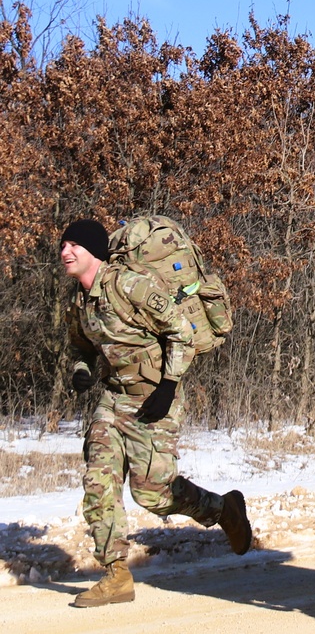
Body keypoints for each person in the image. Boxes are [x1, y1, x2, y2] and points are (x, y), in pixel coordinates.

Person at [61, 218, 252, 608]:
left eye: (75, 246)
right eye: (64, 246)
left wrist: (168, 385)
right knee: (98, 482)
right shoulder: (79, 301)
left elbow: (180, 331)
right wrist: (81, 371)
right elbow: (78, 346)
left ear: (94, 252)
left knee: (153, 494)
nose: (66, 252)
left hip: (154, 398)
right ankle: (115, 575)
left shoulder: (129, 285)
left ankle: (224, 509)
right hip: (113, 399)